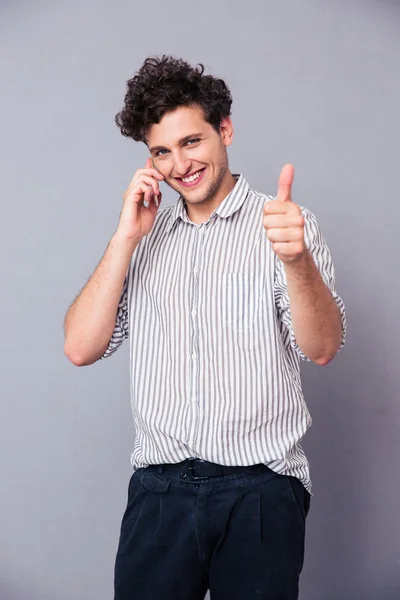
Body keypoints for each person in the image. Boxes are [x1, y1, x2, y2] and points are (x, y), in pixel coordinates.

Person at [64, 55, 346, 600]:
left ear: (225, 130)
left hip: (260, 491)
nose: (179, 165)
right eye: (161, 152)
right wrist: (125, 238)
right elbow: (80, 347)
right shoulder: (142, 237)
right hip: (158, 493)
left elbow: (323, 347)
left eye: (191, 142)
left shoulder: (286, 225)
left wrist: (295, 261)